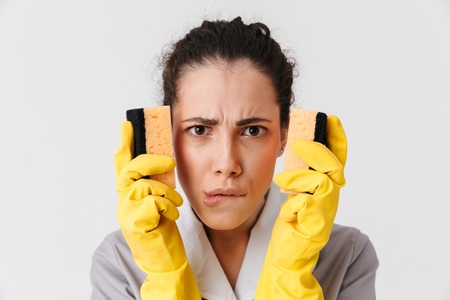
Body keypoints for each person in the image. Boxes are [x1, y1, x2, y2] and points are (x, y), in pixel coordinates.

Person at [90, 17, 379, 300]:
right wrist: (166, 278)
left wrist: (290, 273)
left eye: (252, 130)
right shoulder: (120, 260)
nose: (227, 165)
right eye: (199, 129)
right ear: (165, 138)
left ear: (284, 137)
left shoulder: (346, 254)